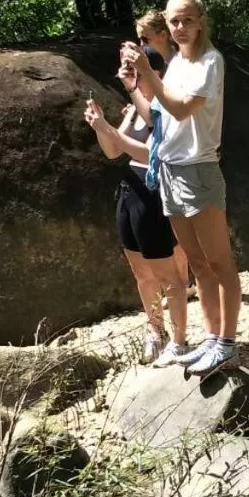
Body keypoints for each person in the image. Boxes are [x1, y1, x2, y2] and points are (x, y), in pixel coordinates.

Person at [119, 0, 242, 377]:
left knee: (220, 263)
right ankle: (212, 338)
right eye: (174, 20)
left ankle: (227, 344)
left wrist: (147, 71)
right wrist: (133, 85)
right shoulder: (176, 66)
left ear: (201, 21)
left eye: (187, 19)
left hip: (198, 169)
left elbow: (183, 109)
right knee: (199, 265)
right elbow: (156, 118)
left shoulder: (210, 62)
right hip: (169, 171)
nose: (180, 27)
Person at [83, 62, 189, 365]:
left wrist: (107, 129)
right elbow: (112, 151)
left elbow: (152, 155)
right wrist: (100, 125)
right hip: (129, 191)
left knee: (168, 276)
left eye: (141, 74)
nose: (136, 80)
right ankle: (156, 331)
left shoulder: (169, 110)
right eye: (133, 75)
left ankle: (179, 342)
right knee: (142, 273)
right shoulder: (135, 111)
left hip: (153, 194)